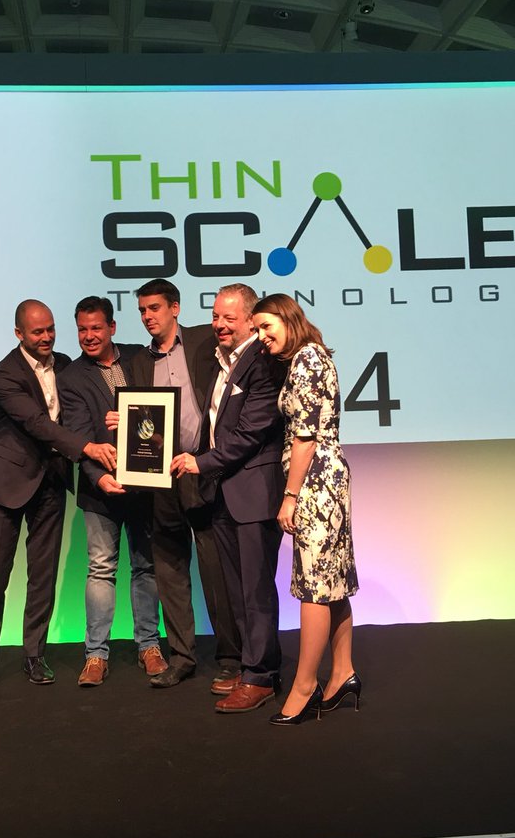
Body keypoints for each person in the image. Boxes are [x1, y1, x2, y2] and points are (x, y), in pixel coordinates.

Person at [0, 299, 117, 694]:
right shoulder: (4, 374)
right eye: (38, 331)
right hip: (8, 483)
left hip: (50, 482)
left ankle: (35, 655)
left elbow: (79, 411)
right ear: (19, 334)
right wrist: (86, 447)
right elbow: (36, 423)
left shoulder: (66, 364)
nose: (47, 336)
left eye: (51, 328)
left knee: (43, 575)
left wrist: (112, 419)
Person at [171, 284, 286, 713]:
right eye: (215, 316)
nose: (218, 324)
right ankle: (248, 664)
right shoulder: (223, 361)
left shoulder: (263, 361)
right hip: (223, 492)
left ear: (251, 321)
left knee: (255, 590)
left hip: (253, 492)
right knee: (236, 589)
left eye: (228, 318)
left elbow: (250, 432)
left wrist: (201, 463)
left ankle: (262, 676)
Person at [125, 279, 242, 689]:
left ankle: (231, 657)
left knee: (215, 567)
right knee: (170, 567)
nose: (147, 316)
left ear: (175, 308)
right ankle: (182, 657)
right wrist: (128, 423)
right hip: (161, 476)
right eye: (142, 310)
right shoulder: (139, 362)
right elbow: (143, 419)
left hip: (202, 468)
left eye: (154, 308)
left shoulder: (205, 340)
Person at [251, 294, 360, 725]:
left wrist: (290, 495)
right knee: (332, 581)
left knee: (314, 586)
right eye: (257, 329)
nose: (261, 336)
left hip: (315, 483)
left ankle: (305, 685)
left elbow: (305, 437)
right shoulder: (306, 357)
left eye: (266, 326)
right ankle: (343, 673)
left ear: (288, 318)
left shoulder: (307, 360)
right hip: (326, 479)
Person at [58, 296, 166, 686]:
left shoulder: (139, 358)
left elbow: (160, 413)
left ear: (112, 328)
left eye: (96, 328)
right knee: (101, 569)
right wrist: (96, 475)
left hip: (144, 485)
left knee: (146, 567)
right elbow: (76, 434)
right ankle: (95, 655)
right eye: (82, 329)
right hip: (100, 490)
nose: (89, 336)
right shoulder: (71, 376)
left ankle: (149, 646)